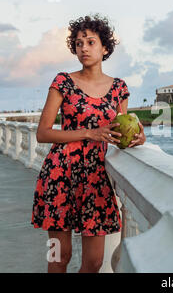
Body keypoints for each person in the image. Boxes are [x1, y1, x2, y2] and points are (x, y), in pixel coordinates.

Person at [31, 14, 146, 273]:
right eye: (79, 43)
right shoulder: (63, 82)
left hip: (96, 179)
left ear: (105, 48)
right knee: (59, 257)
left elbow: (121, 131)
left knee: (94, 262)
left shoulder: (119, 88)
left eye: (91, 42)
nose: (83, 48)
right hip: (60, 175)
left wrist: (139, 138)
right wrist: (89, 133)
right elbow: (43, 133)